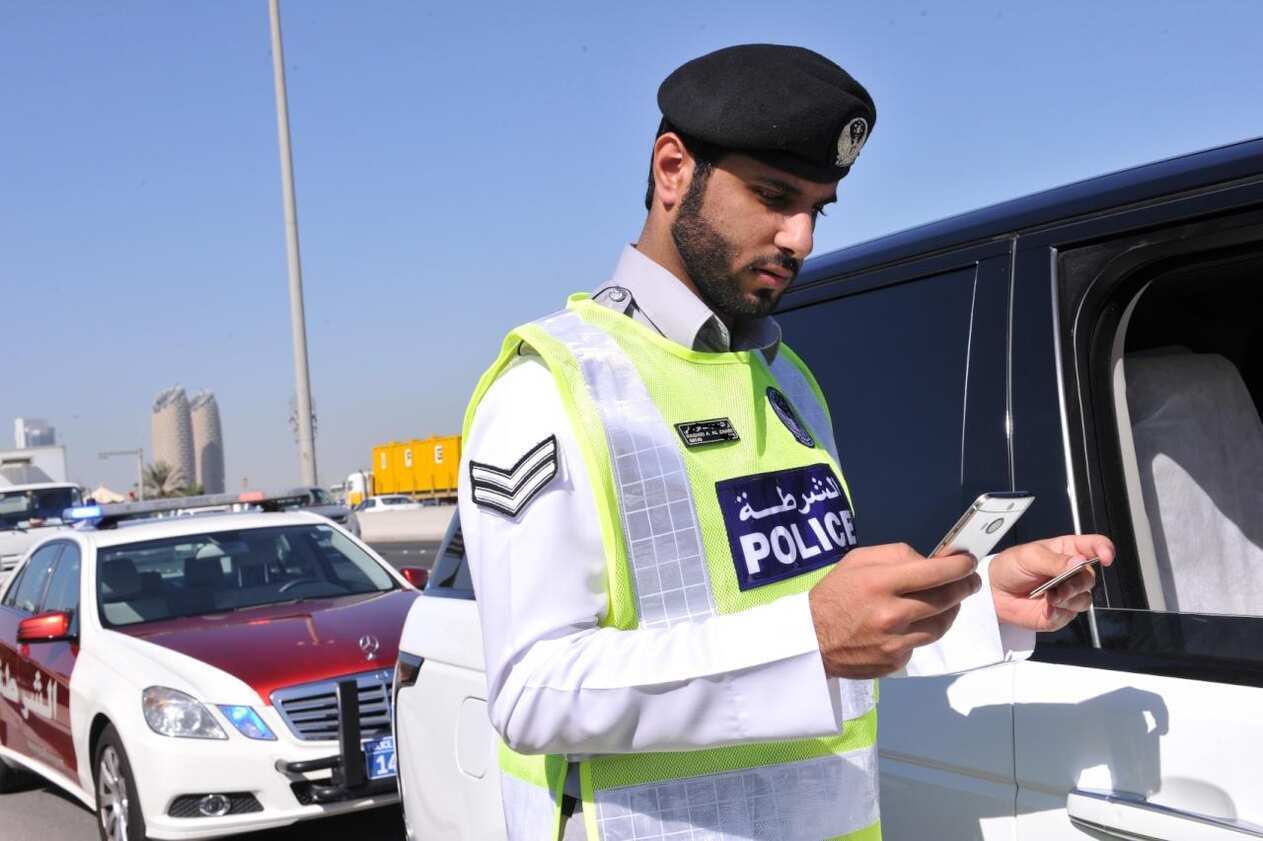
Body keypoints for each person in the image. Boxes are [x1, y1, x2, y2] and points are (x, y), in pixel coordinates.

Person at [458, 43, 1115, 841]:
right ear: (672, 170)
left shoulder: (788, 379)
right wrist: (809, 638)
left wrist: (974, 601)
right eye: (773, 196)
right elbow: (531, 691)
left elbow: (820, 629)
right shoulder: (553, 387)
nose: (799, 237)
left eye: (817, 209)